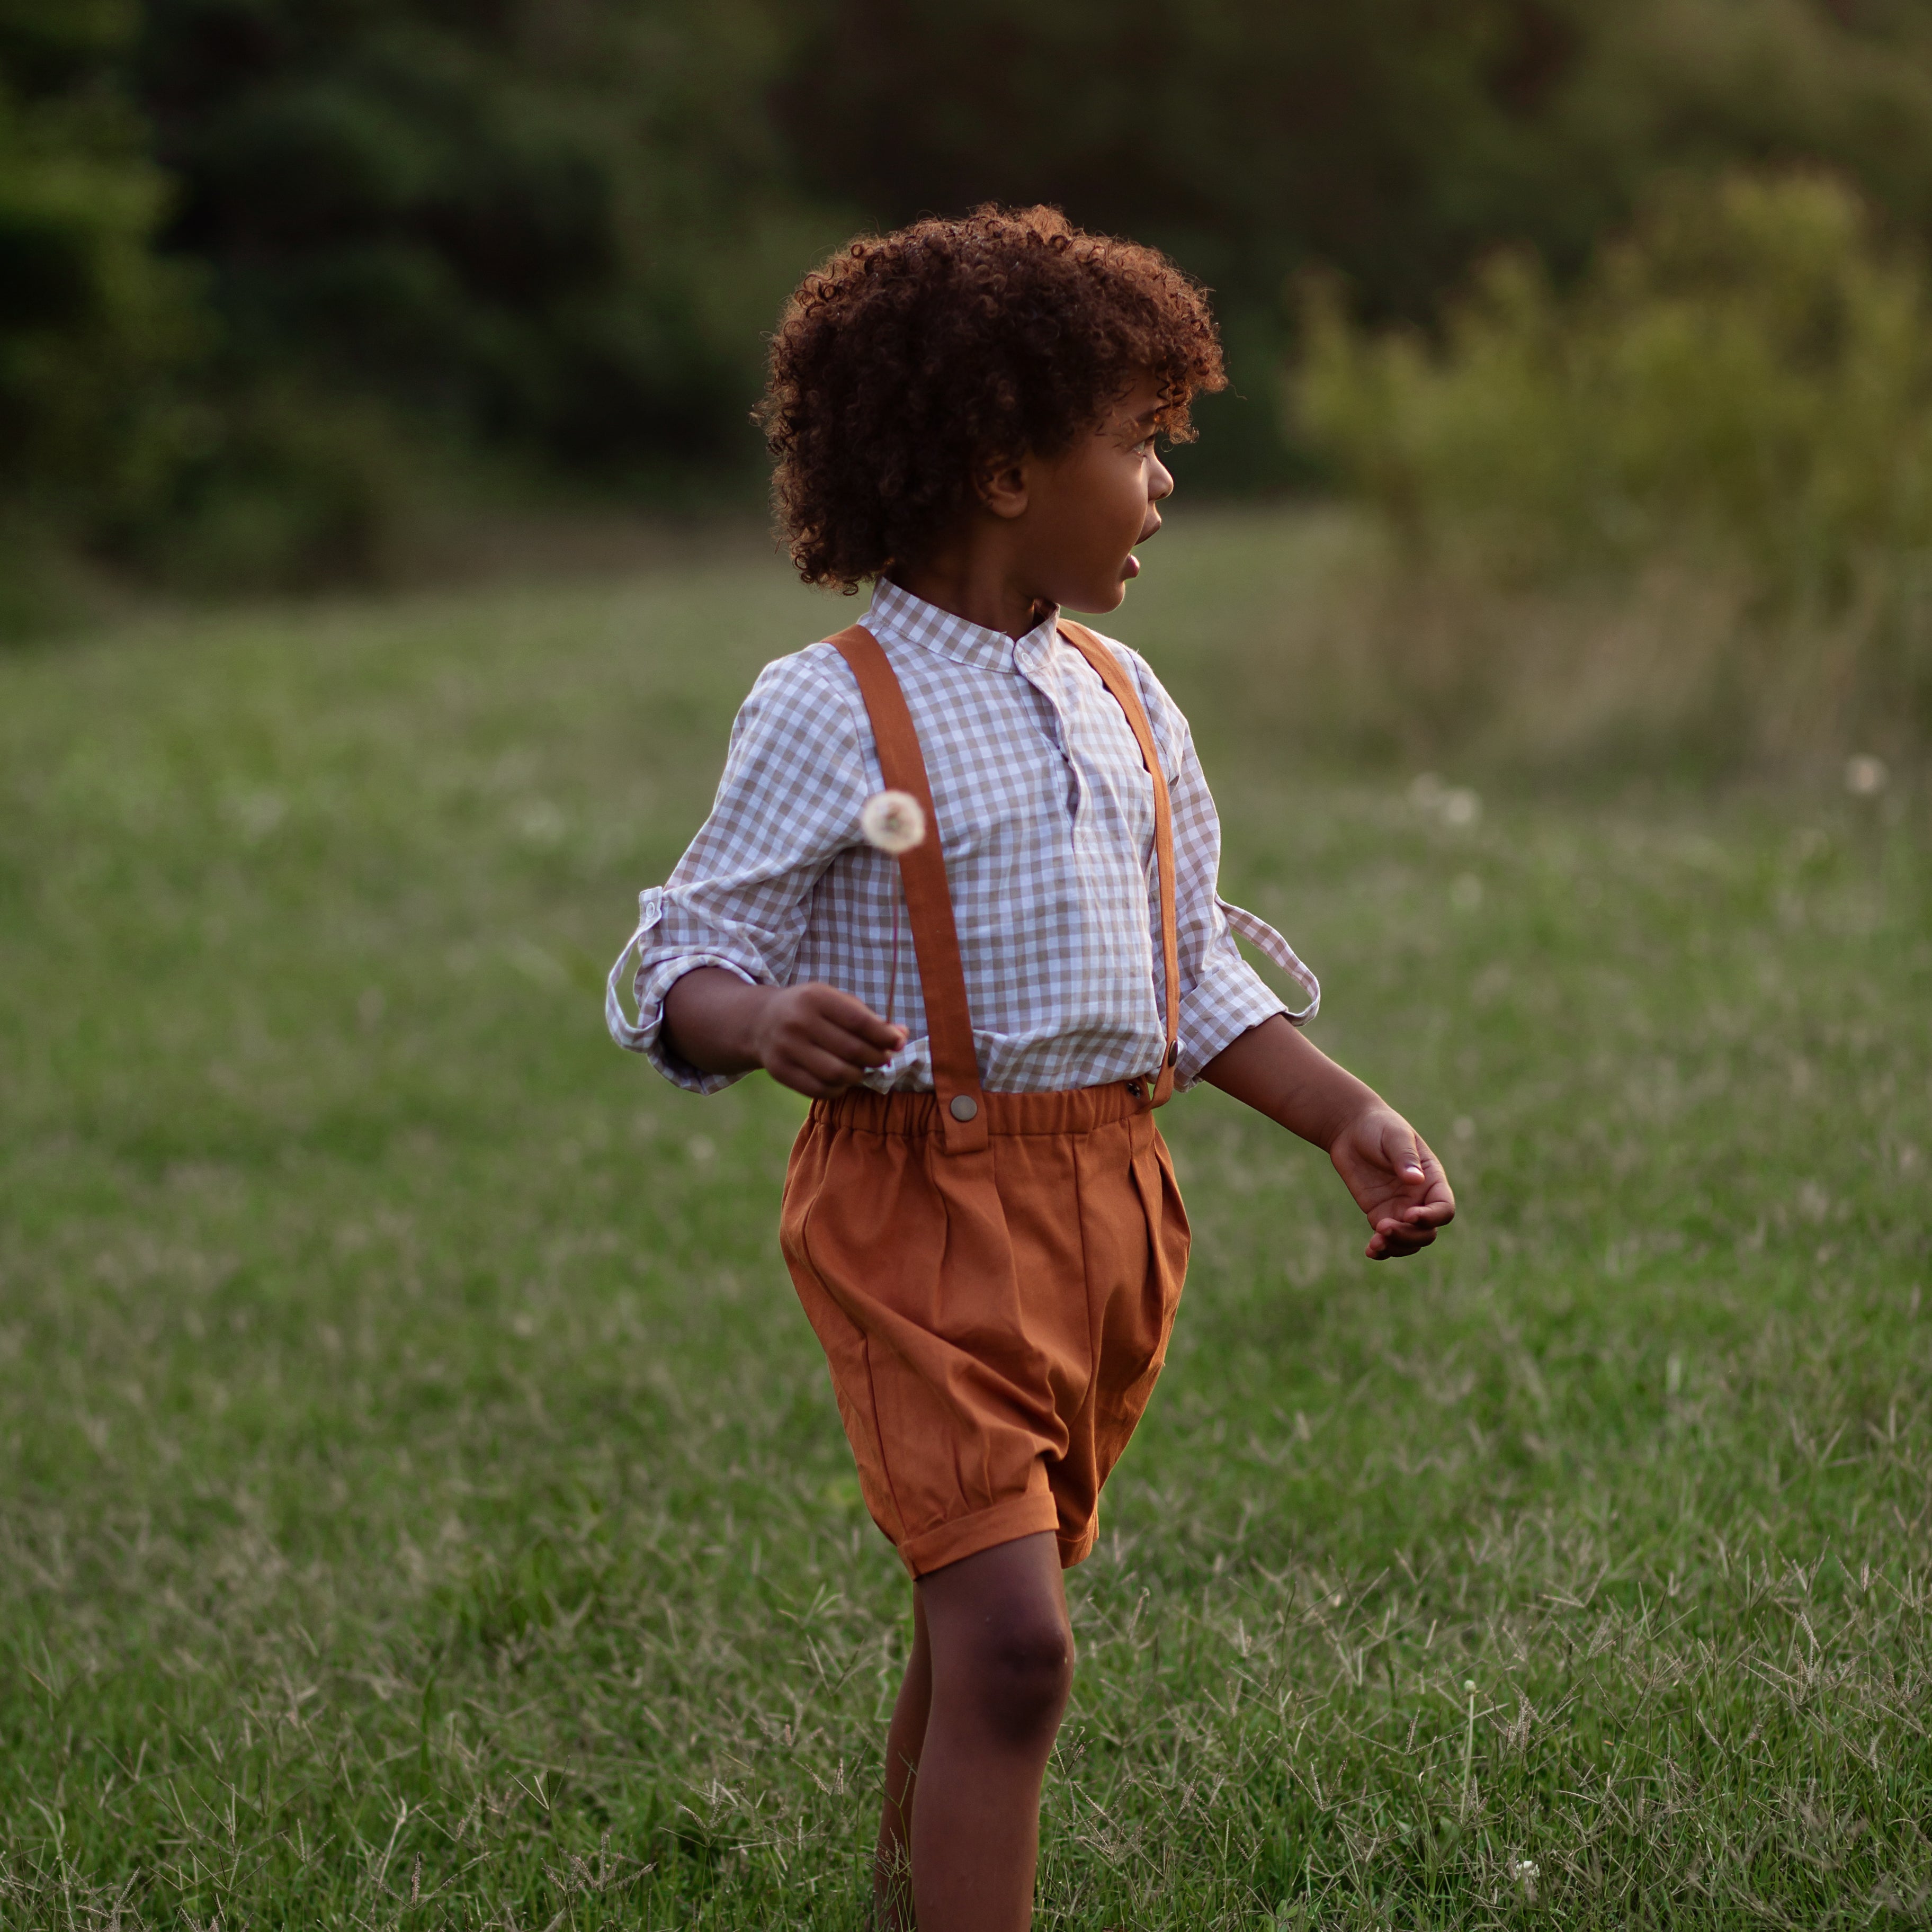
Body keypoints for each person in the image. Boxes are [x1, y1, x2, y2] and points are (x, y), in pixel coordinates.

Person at [607, 204, 1454, 1932]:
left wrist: (1345, 1114)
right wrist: (755, 1022)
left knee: (978, 1629)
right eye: (1138, 443)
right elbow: (675, 950)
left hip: (1110, 1215)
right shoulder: (831, 705)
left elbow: (1187, 967)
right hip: (918, 1208)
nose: (1162, 487)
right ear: (1003, 468)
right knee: (1013, 1646)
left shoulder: (1132, 698)